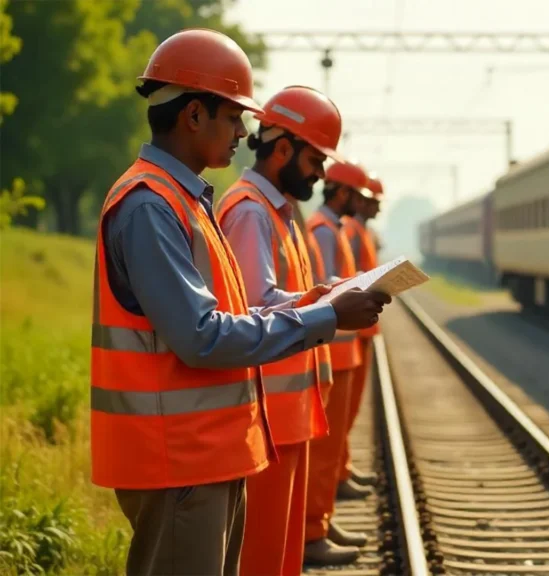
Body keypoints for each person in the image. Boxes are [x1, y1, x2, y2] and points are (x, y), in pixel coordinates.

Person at [90, 29, 390, 576]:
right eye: (233, 117)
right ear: (194, 115)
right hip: (177, 460)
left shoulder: (185, 200)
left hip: (204, 455)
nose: (243, 133)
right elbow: (203, 335)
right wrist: (322, 317)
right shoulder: (150, 206)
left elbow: (229, 313)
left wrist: (310, 305)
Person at [214, 85, 358, 572]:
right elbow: (255, 311)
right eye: (316, 162)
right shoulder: (251, 211)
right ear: (282, 150)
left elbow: (278, 297)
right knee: (264, 556)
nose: (321, 175)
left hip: (286, 412)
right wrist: (329, 308)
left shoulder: (272, 210)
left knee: (282, 553)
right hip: (269, 417)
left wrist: (325, 296)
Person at [303, 160, 376, 563]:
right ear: (343, 193)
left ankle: (320, 521)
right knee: (326, 446)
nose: (369, 206)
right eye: (362, 196)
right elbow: (325, 286)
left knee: (333, 445)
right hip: (333, 346)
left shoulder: (331, 229)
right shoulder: (323, 229)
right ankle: (312, 529)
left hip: (343, 345)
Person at [340, 173, 384, 474]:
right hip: (351, 331)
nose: (378, 210)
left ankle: (343, 467)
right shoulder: (350, 231)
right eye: (374, 203)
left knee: (350, 409)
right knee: (344, 410)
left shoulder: (360, 231)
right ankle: (339, 471)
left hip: (362, 328)